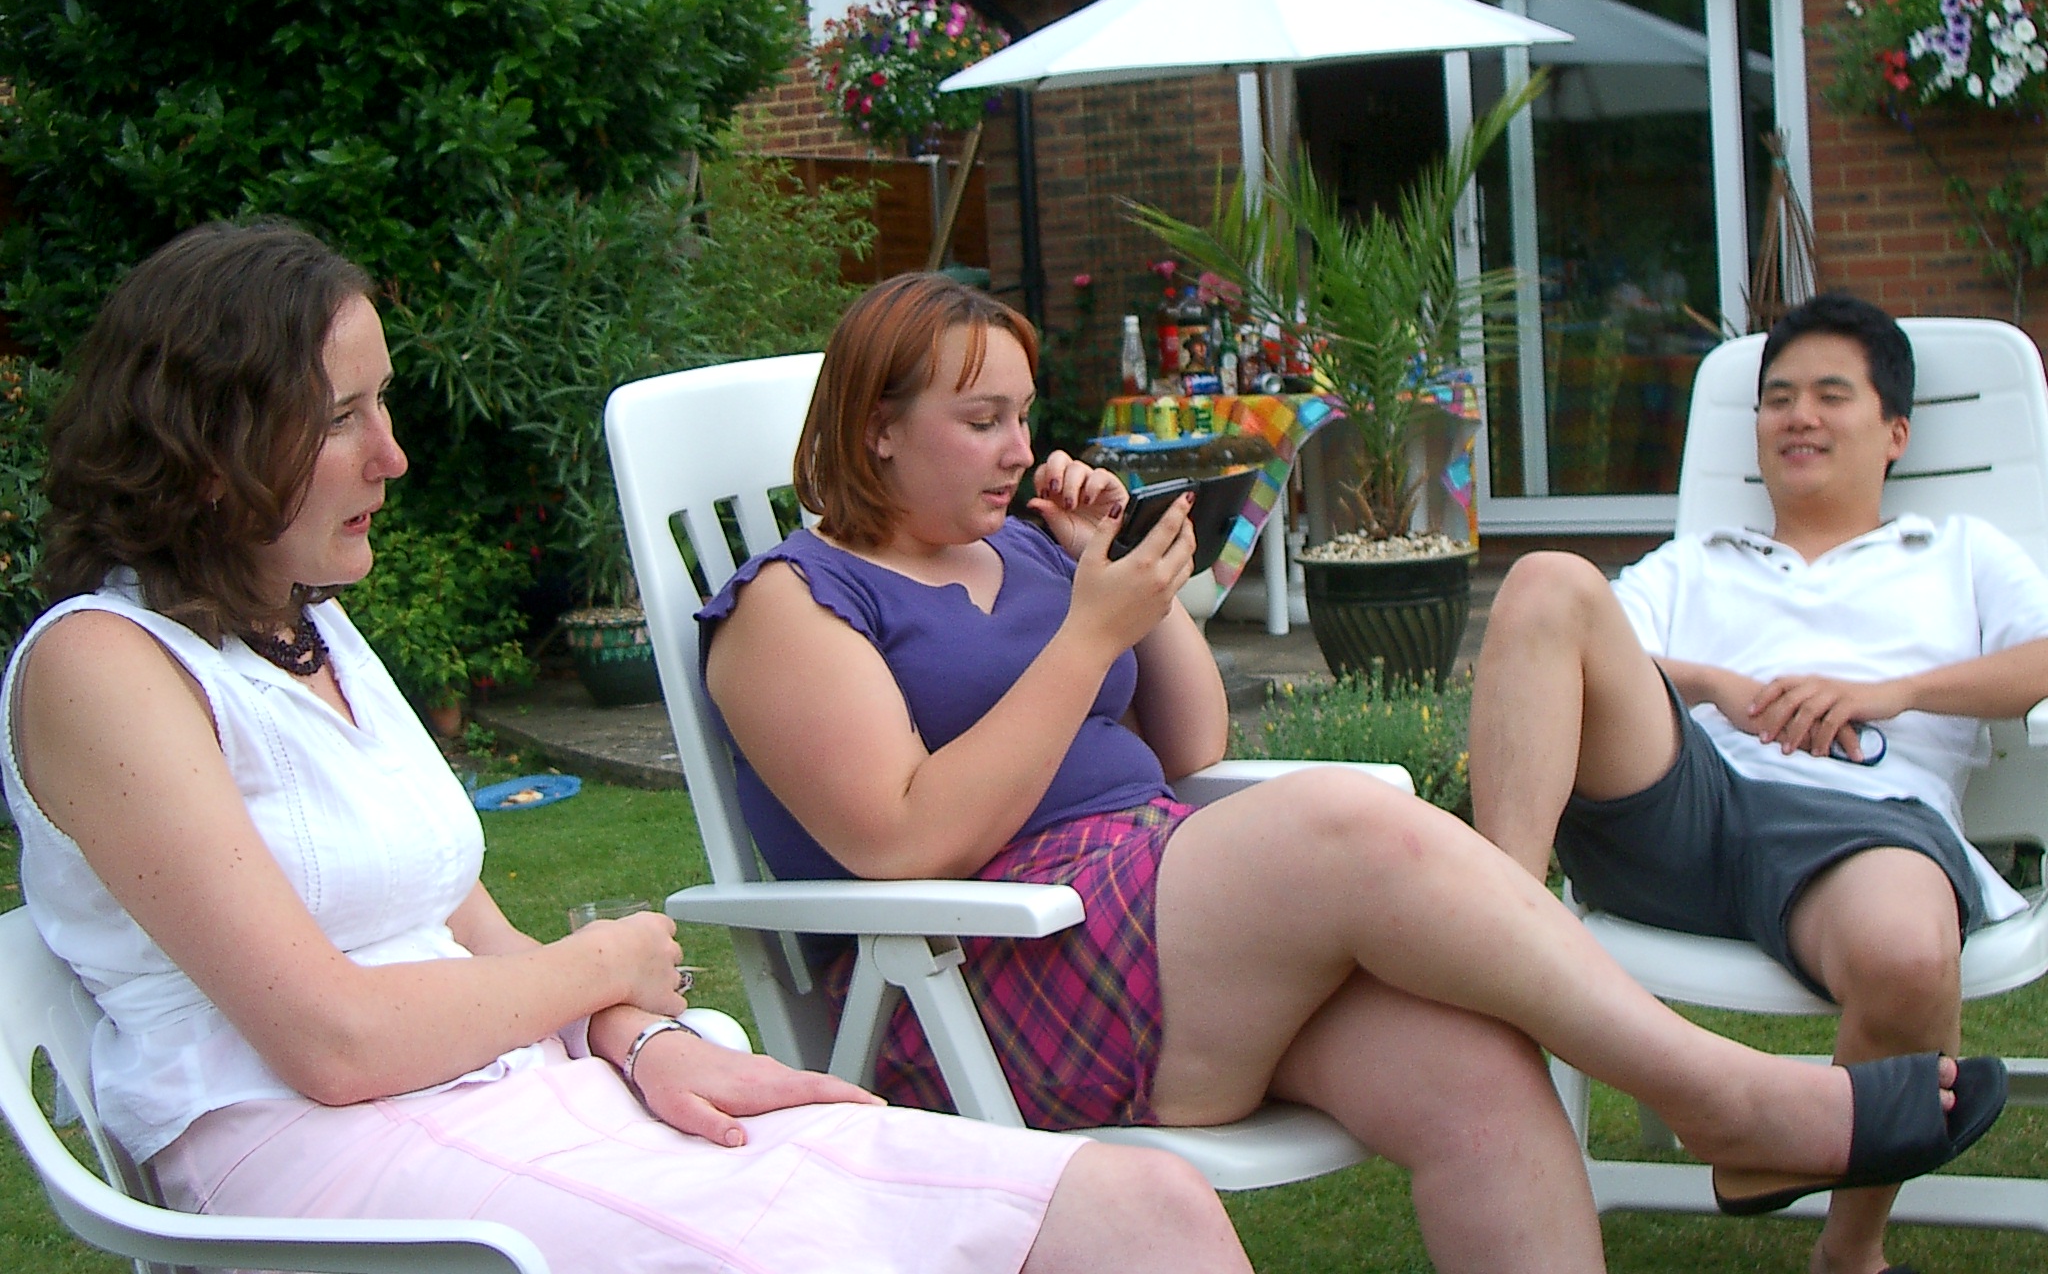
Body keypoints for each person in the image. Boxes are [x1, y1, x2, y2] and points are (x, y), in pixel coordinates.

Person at [0, 224, 1258, 1274]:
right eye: (342, 417)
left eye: (381, 404)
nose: (393, 454)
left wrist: (644, 1039)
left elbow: (461, 929)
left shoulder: (307, 627)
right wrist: (601, 963)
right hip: (325, 1161)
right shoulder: (102, 668)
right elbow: (334, 1042)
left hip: (512, 1088)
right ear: (205, 447)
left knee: (1141, 1208)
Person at [699, 273, 2007, 1274]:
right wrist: (1087, 638)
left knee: (1480, 1078)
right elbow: (901, 840)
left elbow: (1192, 748)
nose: (1014, 448)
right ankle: (1724, 1099)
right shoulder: (792, 606)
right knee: (1340, 818)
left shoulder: (1030, 553)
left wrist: (1121, 585)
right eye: (980, 420)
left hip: (1156, 924)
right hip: (977, 978)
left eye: (1020, 418)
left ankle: (1729, 1111)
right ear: (875, 432)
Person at [1466, 292, 2048, 1274]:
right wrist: (1714, 687)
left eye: (1830, 395)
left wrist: (1893, 691)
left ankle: (1848, 1253)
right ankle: (1490, 944)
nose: (1797, 417)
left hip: (1862, 826)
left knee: (1909, 956)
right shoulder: (1694, 563)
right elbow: (1558, 657)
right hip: (1683, 808)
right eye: (1777, 398)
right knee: (1544, 583)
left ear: (1894, 432)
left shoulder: (1957, 553)